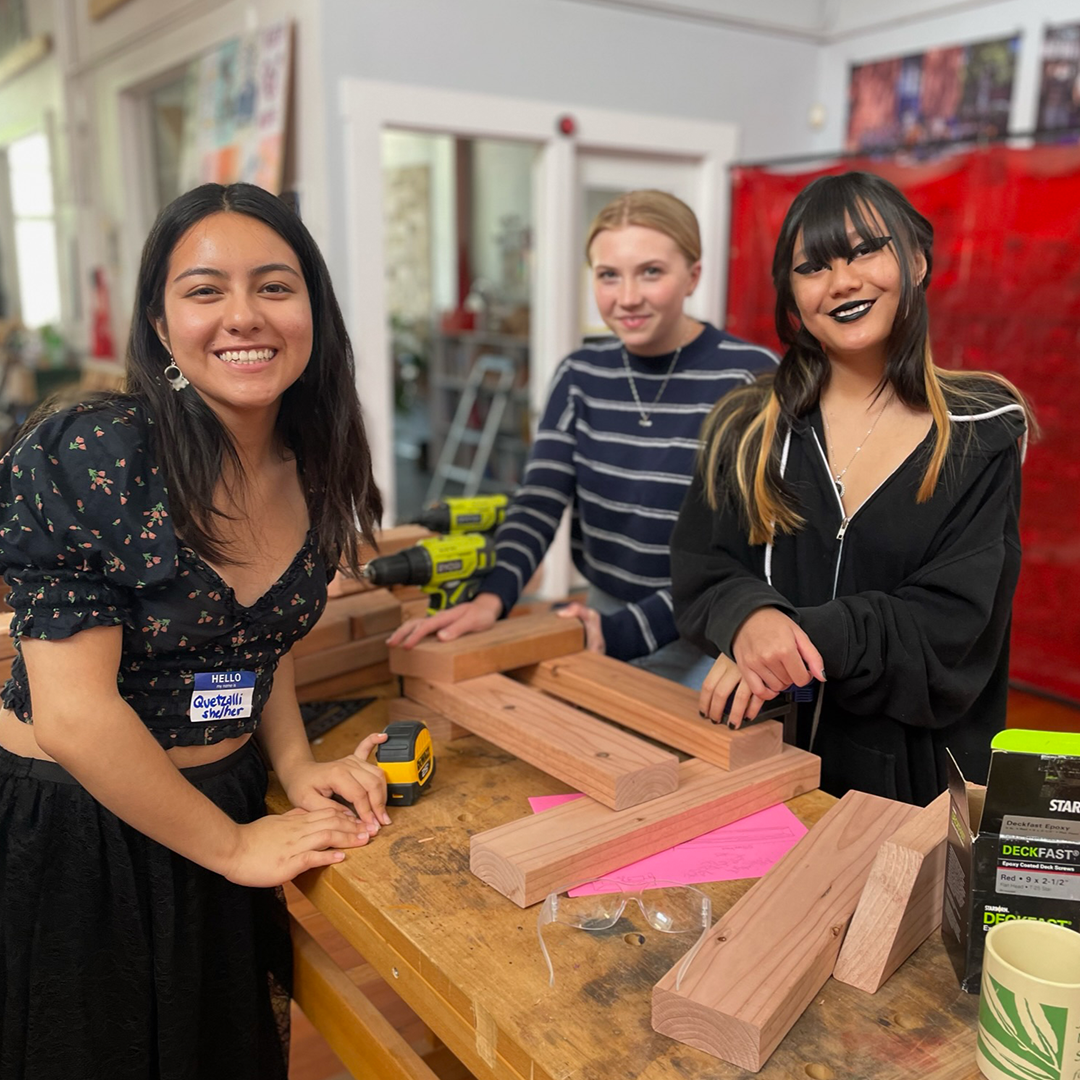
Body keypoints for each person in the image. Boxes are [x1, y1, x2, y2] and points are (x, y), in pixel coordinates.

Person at [0, 183, 390, 1079]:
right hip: (81, 835)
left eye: (275, 287)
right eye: (206, 289)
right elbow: (73, 715)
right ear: (161, 321)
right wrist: (234, 846)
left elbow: (258, 644)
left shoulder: (313, 457)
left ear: (314, 312)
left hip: (226, 799)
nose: (243, 316)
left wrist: (295, 769)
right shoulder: (95, 451)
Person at [671, 171, 1034, 805]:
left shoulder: (982, 431)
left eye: (867, 250)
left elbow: (949, 627)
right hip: (763, 768)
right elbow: (704, 567)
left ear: (916, 261)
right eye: (814, 266)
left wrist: (785, 640)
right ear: (793, 297)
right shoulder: (748, 427)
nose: (842, 281)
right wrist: (746, 618)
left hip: (908, 792)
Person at [390, 190, 776, 686]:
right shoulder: (580, 375)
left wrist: (620, 634)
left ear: (693, 277)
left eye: (651, 272)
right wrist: (492, 599)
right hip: (601, 615)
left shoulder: (750, 378)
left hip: (711, 638)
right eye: (608, 275)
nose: (627, 297)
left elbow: (751, 550)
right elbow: (538, 502)